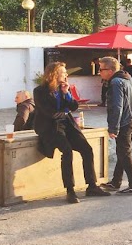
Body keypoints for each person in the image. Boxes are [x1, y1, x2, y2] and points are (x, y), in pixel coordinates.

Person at [33, 62, 111, 204]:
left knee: (87, 149)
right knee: (67, 152)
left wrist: (66, 93)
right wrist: (64, 112)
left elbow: (74, 106)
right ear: (54, 74)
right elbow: (48, 112)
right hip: (50, 127)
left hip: (66, 123)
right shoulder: (39, 91)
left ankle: (92, 186)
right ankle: (70, 190)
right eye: (63, 72)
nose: (66, 75)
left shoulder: (62, 88)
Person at [98, 57, 132, 195]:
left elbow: (117, 106)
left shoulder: (116, 82)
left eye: (101, 69)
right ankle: (116, 181)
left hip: (125, 122)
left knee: (124, 153)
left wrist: (113, 128)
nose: (99, 72)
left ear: (110, 70)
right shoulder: (126, 77)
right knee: (122, 152)